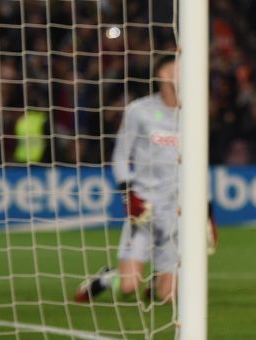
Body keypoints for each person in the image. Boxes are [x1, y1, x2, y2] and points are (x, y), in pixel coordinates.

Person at [76, 56, 216, 303]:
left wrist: (208, 210)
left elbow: (198, 165)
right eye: (176, 67)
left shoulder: (194, 114)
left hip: (176, 210)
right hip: (145, 208)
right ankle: (107, 277)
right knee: (129, 287)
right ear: (162, 74)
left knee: (167, 296)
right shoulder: (139, 111)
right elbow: (119, 156)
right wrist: (128, 194)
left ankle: (160, 279)